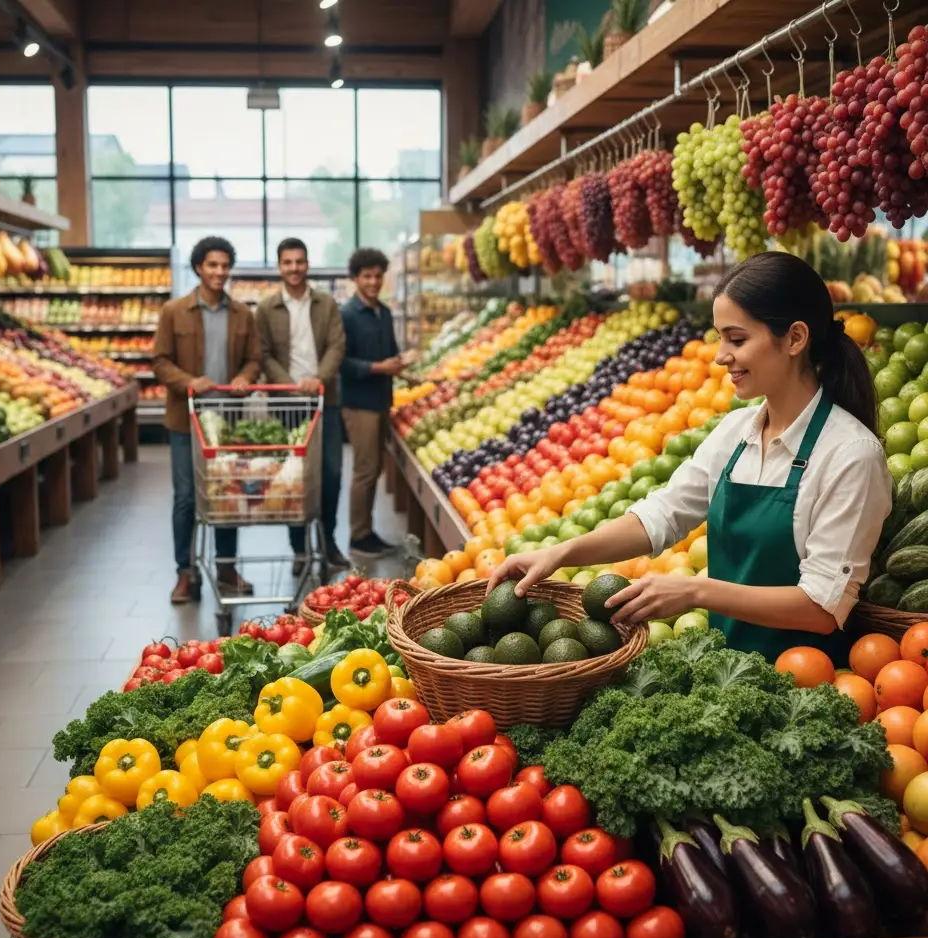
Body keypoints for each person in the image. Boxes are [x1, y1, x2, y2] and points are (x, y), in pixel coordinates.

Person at [488, 251, 892, 662]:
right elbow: (662, 515)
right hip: (726, 673)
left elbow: (821, 609)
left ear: (794, 338)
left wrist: (695, 591)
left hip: (809, 682)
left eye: (737, 339)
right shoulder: (736, 432)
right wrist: (559, 553)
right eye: (720, 338)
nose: (720, 355)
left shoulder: (850, 455)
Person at [153, 236, 261, 604]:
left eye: (225, 265)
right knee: (186, 497)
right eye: (212, 265)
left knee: (227, 496)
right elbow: (160, 361)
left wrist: (245, 376)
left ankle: (226, 568)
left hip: (228, 421)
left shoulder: (242, 314)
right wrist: (188, 382)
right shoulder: (174, 311)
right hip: (186, 422)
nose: (219, 272)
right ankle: (185, 572)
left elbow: (254, 359)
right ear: (199, 267)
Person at [256, 238, 347, 573]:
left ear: (307, 264)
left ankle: (328, 541)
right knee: (292, 478)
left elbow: (337, 345)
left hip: (325, 400)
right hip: (286, 405)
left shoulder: (326, 303)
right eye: (287, 262)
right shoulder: (267, 308)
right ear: (279, 266)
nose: (294, 268)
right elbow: (263, 353)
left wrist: (319, 378)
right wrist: (288, 385)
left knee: (331, 472)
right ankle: (299, 548)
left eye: (299, 261)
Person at [340, 247, 409, 556]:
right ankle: (359, 536)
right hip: (359, 404)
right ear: (355, 278)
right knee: (365, 470)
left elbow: (391, 352)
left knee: (375, 467)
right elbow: (342, 363)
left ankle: (367, 530)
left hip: (382, 400)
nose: (373, 282)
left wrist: (402, 362)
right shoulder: (347, 315)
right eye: (366, 276)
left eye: (378, 276)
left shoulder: (384, 312)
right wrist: (379, 367)